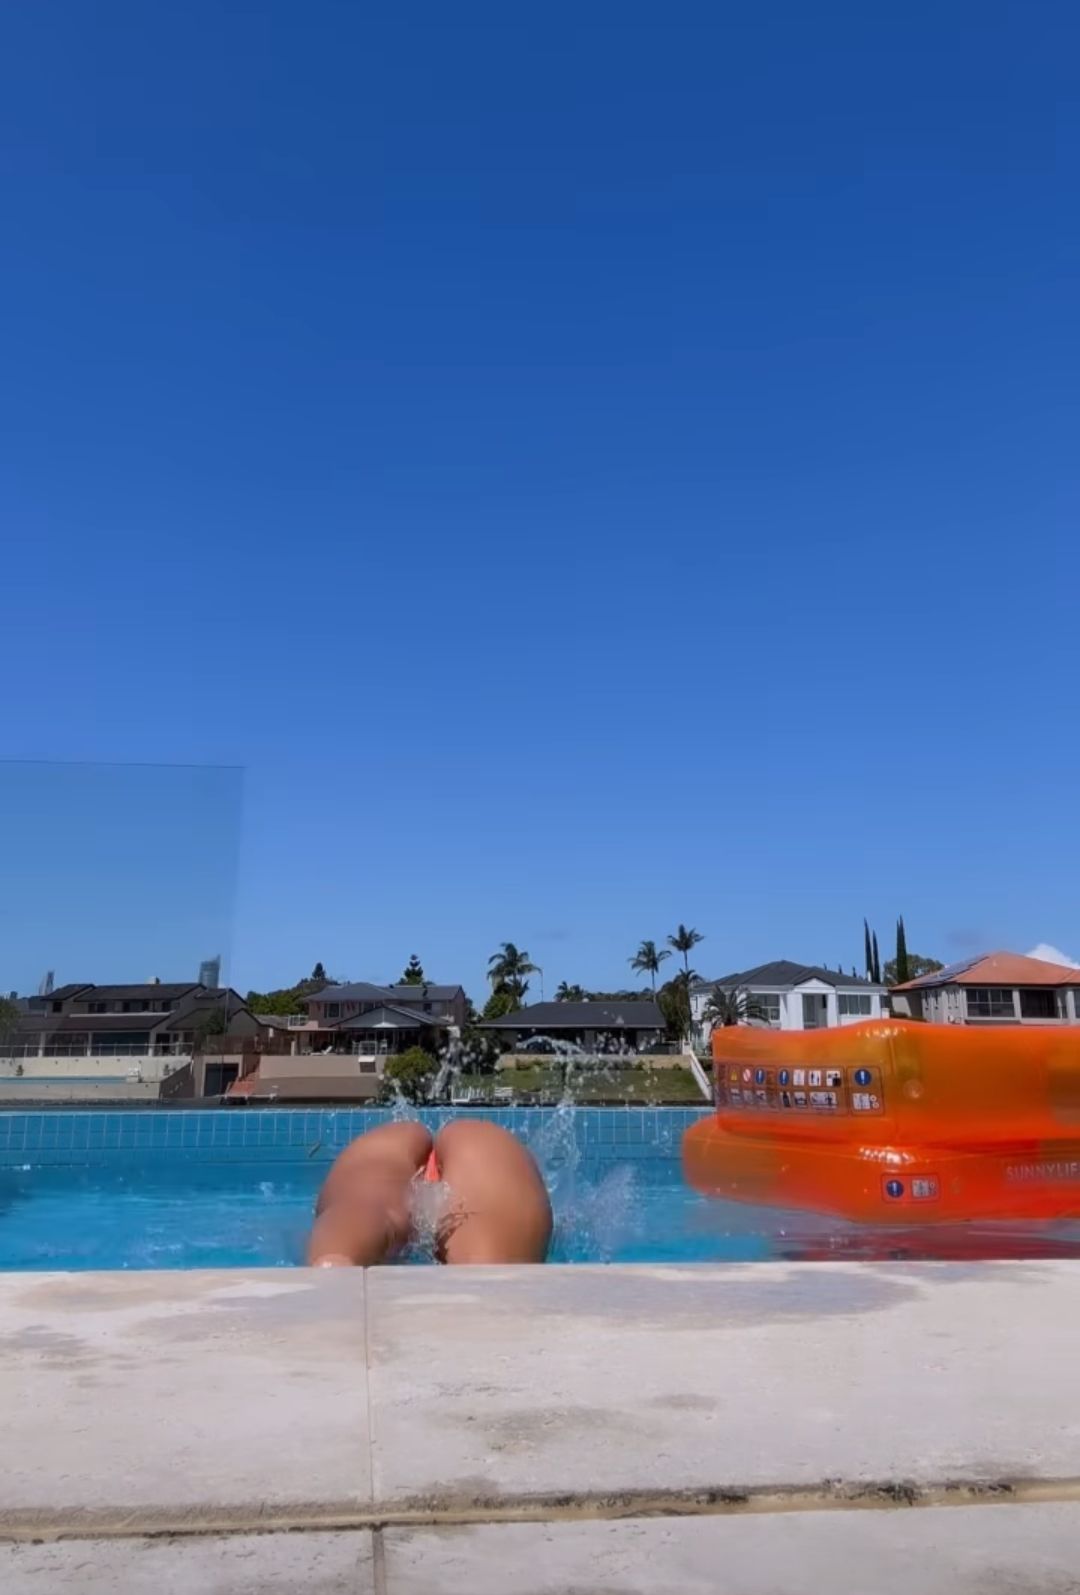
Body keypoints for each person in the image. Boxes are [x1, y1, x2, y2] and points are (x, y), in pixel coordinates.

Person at [307, 1118, 553, 1266]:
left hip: (382, 1147)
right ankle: (335, 1263)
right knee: (486, 1272)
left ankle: (334, 1263)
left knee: (371, 1208)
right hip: (487, 1149)